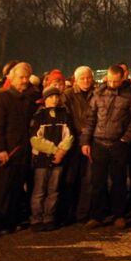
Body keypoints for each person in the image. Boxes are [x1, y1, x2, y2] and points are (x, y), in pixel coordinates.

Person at [82, 65, 131, 229]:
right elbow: (90, 119)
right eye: (110, 80)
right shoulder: (98, 94)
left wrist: (125, 139)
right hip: (98, 142)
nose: (113, 84)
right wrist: (85, 141)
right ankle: (97, 215)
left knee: (119, 181)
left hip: (119, 143)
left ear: (122, 78)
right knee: (97, 182)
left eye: (116, 81)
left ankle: (119, 215)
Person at [0, 63, 36, 233]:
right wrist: (0, 149)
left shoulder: (29, 98)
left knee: (16, 187)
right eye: (21, 77)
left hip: (23, 150)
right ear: (11, 78)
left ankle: (11, 221)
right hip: (7, 150)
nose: (24, 81)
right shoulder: (1, 97)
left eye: (26, 77)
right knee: (1, 189)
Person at [28, 87, 76, 230]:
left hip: (58, 159)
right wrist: (55, 150)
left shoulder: (65, 114)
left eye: (57, 97)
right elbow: (35, 139)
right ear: (45, 99)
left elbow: (69, 136)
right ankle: (37, 218)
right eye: (51, 97)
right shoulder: (39, 116)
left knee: (53, 190)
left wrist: (62, 151)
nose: (54, 99)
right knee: (39, 191)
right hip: (42, 159)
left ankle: (49, 217)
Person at [60, 66, 95, 224]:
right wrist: (79, 129)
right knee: (70, 178)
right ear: (76, 79)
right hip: (74, 142)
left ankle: (83, 213)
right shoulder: (68, 95)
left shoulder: (97, 93)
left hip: (91, 141)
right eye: (82, 78)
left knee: (88, 179)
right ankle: (67, 212)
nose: (86, 81)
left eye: (88, 78)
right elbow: (65, 117)